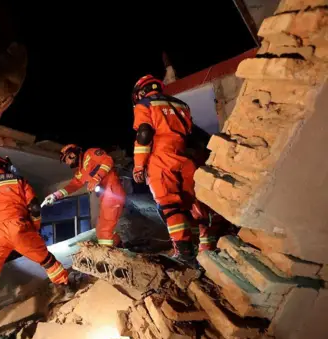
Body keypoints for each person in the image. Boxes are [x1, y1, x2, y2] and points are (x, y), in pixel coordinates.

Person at [0, 156, 73, 331]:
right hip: (19, 228)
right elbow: (35, 207)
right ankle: (66, 289)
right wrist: (34, 228)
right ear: (6, 166)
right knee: (47, 260)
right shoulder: (18, 180)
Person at [130, 74, 217, 261]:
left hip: (161, 158)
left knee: (169, 205)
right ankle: (203, 245)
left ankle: (184, 253)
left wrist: (139, 165)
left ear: (141, 92)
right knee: (189, 203)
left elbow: (144, 134)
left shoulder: (145, 104)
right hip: (184, 157)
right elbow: (193, 134)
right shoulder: (181, 105)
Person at [43, 145, 126, 247]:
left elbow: (108, 160)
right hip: (106, 196)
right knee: (101, 229)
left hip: (112, 192)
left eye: (67, 159)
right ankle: (119, 248)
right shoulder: (81, 171)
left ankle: (109, 256)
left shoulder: (91, 153)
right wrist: (55, 195)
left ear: (73, 154)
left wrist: (97, 177)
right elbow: (74, 185)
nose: (67, 163)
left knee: (105, 231)